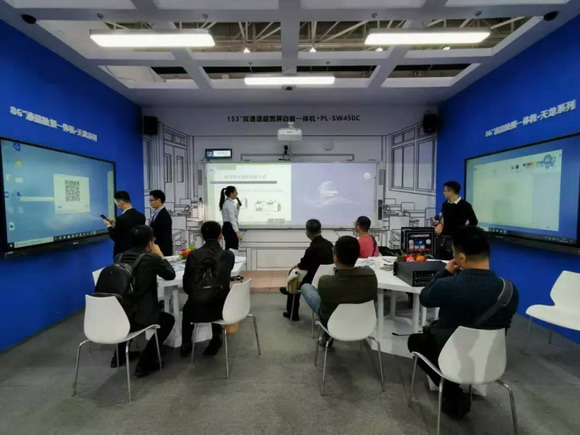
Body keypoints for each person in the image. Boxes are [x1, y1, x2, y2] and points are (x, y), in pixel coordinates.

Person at [407, 226, 519, 419]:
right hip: (490, 359)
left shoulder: (449, 285)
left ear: (461, 257)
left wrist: (444, 272)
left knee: (415, 341)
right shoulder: (509, 290)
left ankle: (451, 391)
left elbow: (425, 297)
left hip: (452, 355)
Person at [112, 225, 176, 377]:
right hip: (141, 317)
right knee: (168, 320)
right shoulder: (151, 259)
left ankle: (118, 356)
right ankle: (146, 362)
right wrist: (160, 255)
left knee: (128, 310)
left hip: (119, 315)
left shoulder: (118, 257)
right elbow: (170, 275)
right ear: (149, 243)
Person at [301, 235, 378, 347]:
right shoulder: (371, 275)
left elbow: (324, 303)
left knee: (306, 287)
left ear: (335, 257)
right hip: (364, 323)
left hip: (333, 321)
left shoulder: (326, 281)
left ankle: (326, 337)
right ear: (357, 255)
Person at [180, 221, 235, 358]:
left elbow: (187, 286)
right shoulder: (228, 255)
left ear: (202, 236)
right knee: (217, 293)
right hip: (222, 307)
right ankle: (216, 337)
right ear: (220, 235)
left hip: (198, 307)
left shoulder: (193, 255)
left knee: (188, 307)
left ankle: (186, 343)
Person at [280, 219, 333, 321]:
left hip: (312, 280)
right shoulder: (329, 245)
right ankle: (288, 290)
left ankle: (292, 312)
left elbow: (304, 265)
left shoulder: (312, 249)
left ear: (307, 232)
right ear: (320, 230)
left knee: (293, 276)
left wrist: (295, 266)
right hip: (328, 277)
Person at [434, 181, 478, 259]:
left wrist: (463, 232)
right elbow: (443, 218)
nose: (443, 193)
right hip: (444, 239)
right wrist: (440, 224)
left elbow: (474, 222)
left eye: (445, 191)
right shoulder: (445, 204)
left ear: (451, 192)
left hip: (457, 242)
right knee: (439, 259)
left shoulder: (465, 205)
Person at [103, 191, 146, 257]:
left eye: (116, 203)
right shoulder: (141, 216)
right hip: (138, 254)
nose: (117, 206)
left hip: (123, 255)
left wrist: (108, 225)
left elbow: (116, 237)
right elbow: (127, 230)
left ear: (121, 202)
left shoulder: (121, 218)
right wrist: (115, 225)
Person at [148, 189, 173, 256]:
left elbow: (165, 237)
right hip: (156, 249)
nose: (150, 203)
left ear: (159, 200)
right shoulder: (157, 213)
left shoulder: (164, 215)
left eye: (151, 200)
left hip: (162, 250)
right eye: (149, 201)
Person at [219, 186, 242, 250]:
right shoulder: (229, 203)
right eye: (236, 192)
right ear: (231, 193)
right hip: (229, 227)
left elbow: (234, 215)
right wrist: (237, 232)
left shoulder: (229, 203)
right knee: (232, 248)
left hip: (228, 227)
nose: (237, 193)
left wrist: (238, 207)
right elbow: (232, 219)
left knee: (230, 247)